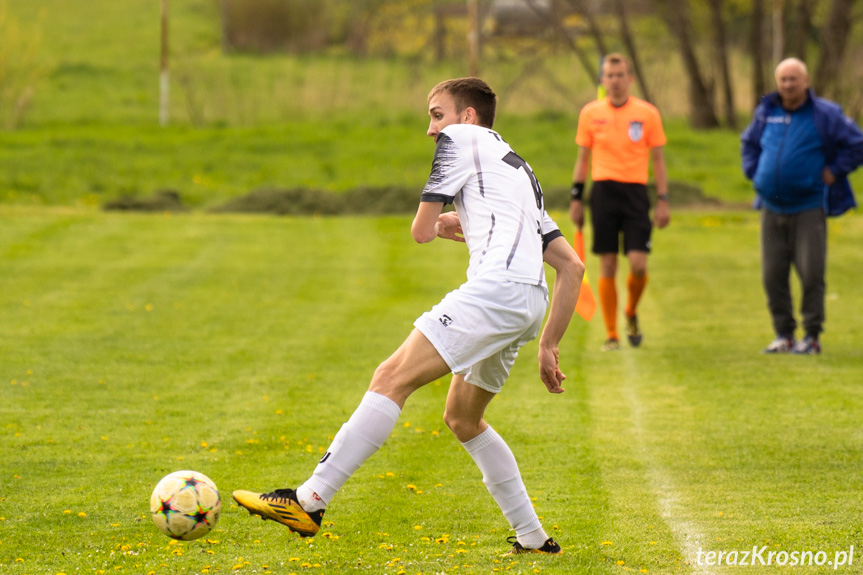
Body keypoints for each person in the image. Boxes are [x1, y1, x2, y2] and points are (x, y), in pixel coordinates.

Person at [233, 78, 584, 554]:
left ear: (467, 118)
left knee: (391, 376)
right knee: (463, 418)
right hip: (528, 302)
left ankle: (309, 500)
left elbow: (420, 231)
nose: (430, 129)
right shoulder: (520, 171)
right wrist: (547, 342)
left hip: (496, 292)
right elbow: (570, 265)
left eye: (437, 115)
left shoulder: (460, 141)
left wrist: (439, 223)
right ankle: (532, 535)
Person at [741, 58, 863, 355]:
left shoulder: (825, 114)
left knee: (811, 272)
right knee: (772, 274)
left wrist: (834, 170)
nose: (788, 85)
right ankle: (784, 334)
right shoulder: (766, 112)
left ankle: (811, 335)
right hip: (771, 208)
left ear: (806, 81)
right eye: (783, 79)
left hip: (808, 206)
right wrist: (756, 173)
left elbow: (857, 144)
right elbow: (749, 144)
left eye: (793, 79)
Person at [569, 53, 669, 352]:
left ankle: (631, 312)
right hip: (603, 193)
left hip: (637, 194)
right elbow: (582, 159)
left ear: (630, 79)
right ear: (602, 79)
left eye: (620, 75)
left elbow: (659, 160)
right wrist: (576, 198)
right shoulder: (590, 113)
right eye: (609, 75)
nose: (614, 80)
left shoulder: (647, 113)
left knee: (638, 264)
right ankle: (612, 333)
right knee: (608, 263)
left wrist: (662, 199)